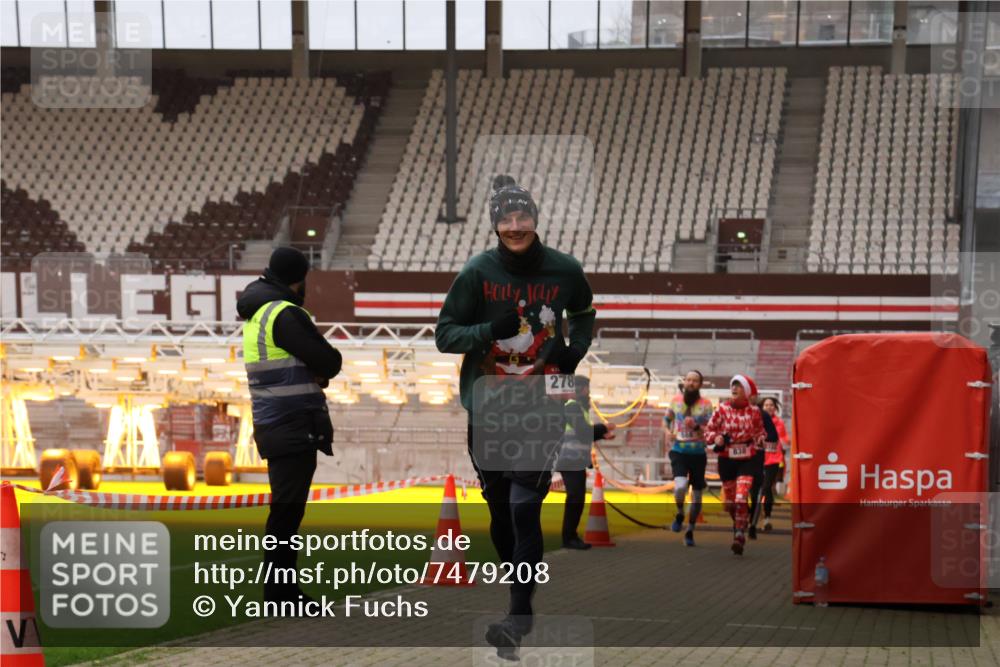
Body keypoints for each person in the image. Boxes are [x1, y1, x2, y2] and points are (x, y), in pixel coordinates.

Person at [435, 175, 596, 660]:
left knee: (525, 505)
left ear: (535, 220)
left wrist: (575, 350)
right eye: (506, 219)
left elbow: (585, 312)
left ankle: (516, 615)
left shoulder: (565, 270)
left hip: (543, 404)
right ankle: (519, 589)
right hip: (487, 407)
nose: (515, 226)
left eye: (523, 217)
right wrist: (488, 329)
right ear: (495, 225)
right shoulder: (477, 272)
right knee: (500, 512)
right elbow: (445, 334)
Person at [237, 247, 343, 605]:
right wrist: (317, 369)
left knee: (285, 511)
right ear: (298, 280)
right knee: (286, 514)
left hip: (274, 422)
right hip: (293, 423)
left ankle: (280, 591)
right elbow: (330, 360)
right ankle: (281, 593)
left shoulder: (257, 314)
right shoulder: (284, 314)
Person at [703, 374, 766, 556]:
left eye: (738, 386)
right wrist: (716, 437)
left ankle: (739, 534)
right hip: (727, 458)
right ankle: (739, 523)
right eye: (733, 385)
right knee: (730, 503)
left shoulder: (754, 412)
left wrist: (761, 439)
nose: (734, 388)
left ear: (746, 392)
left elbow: (760, 432)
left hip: (748, 458)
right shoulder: (721, 410)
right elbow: (708, 431)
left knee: (741, 497)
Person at [555, 375, 616, 550]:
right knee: (575, 498)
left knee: (576, 498)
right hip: (569, 459)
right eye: (587, 388)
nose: (588, 392)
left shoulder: (577, 408)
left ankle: (570, 536)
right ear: (580, 389)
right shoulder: (572, 406)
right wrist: (604, 427)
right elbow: (582, 432)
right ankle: (569, 538)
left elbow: (584, 433)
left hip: (572, 459)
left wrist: (601, 435)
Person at [662, 370, 714, 547]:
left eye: (695, 380)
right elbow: (666, 420)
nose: (691, 383)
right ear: (684, 382)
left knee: (697, 497)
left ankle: (690, 530)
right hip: (679, 451)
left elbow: (710, 430)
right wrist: (668, 432)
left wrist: (697, 426)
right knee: (680, 486)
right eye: (688, 380)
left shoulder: (706, 404)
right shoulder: (675, 401)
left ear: (700, 384)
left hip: (698, 454)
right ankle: (679, 513)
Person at [758, 396, 789, 532]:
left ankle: (767, 519)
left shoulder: (779, 423)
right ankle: (756, 515)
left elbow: (783, 439)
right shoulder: (757, 421)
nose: (769, 407)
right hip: (758, 459)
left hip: (774, 459)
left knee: (766, 487)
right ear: (762, 407)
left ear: (775, 408)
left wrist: (784, 441)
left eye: (771, 405)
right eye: (766, 405)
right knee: (756, 489)